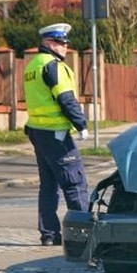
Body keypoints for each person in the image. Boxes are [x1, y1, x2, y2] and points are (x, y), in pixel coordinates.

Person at [23, 22, 89, 246]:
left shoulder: (33, 65)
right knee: (74, 182)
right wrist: (81, 124)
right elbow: (66, 98)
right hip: (56, 133)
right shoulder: (53, 66)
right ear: (49, 43)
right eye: (61, 43)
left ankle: (50, 234)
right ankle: (83, 235)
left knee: (49, 185)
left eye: (65, 43)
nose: (65, 48)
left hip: (38, 131)